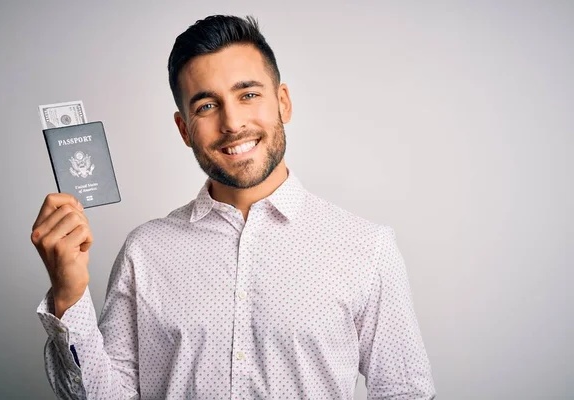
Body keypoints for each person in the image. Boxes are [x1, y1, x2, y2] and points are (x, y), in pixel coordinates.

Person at [32, 14, 436, 399]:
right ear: (184, 129)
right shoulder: (143, 252)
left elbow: (406, 393)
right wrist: (68, 297)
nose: (232, 122)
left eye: (248, 95)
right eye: (207, 106)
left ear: (283, 103)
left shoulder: (367, 248)